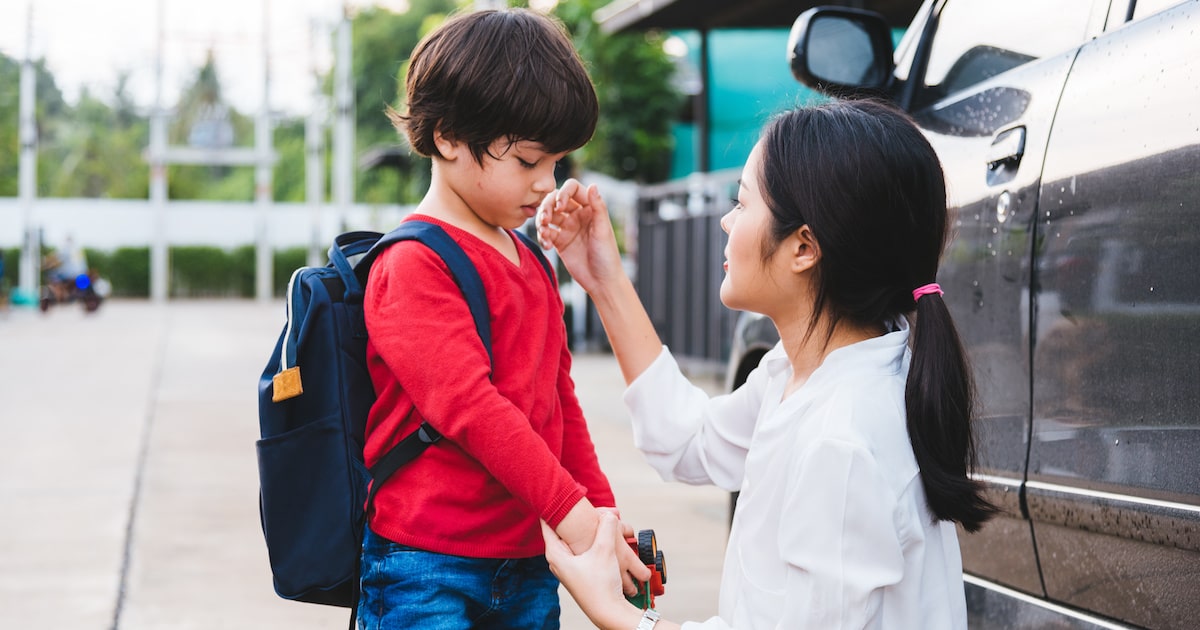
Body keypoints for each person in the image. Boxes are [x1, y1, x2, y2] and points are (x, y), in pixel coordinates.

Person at [537, 99, 997, 630]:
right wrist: (604, 277)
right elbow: (685, 439)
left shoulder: (841, 442)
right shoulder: (804, 373)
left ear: (803, 247)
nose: (727, 223)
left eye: (742, 203)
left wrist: (616, 614)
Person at [358, 8, 647, 629]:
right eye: (527, 162)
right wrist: (573, 513)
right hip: (425, 565)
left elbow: (558, 404)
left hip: (526, 562)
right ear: (447, 138)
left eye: (557, 164)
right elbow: (471, 409)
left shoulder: (531, 263)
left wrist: (602, 518)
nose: (547, 184)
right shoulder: (413, 264)